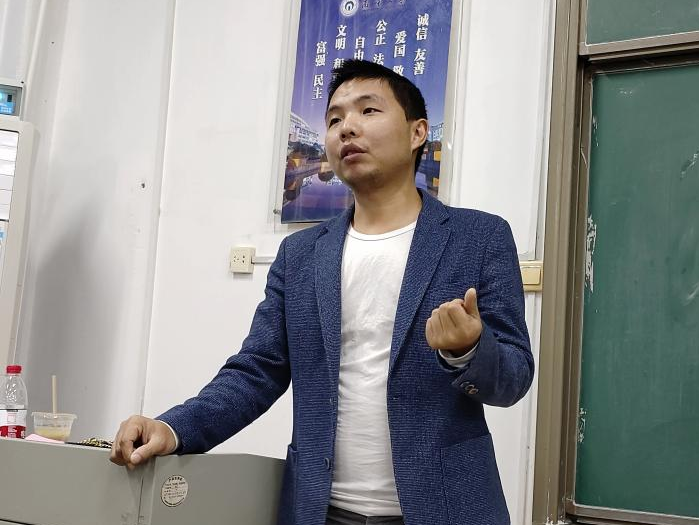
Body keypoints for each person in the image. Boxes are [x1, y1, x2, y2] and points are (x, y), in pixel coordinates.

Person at [110, 59, 534, 525]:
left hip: (446, 510)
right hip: (320, 511)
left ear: (418, 133)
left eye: (368, 111)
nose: (347, 127)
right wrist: (173, 427)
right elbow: (257, 370)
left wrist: (468, 349)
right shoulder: (301, 254)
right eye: (334, 119)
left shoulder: (479, 237)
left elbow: (514, 378)